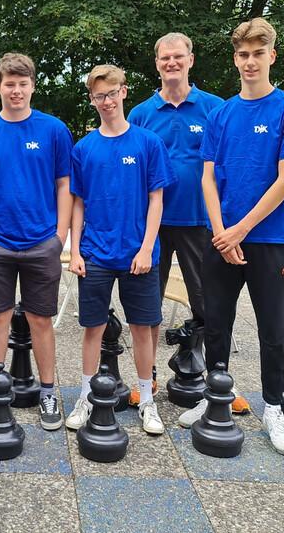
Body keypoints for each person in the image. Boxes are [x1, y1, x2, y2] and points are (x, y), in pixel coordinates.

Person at [179, 18, 284, 456]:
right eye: (243, 54)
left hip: (271, 239)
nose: (250, 61)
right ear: (235, 59)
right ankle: (214, 396)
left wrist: (241, 228)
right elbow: (207, 179)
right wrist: (221, 233)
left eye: (259, 53)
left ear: (271, 56)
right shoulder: (220, 114)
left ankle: (273, 407)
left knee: (272, 329)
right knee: (216, 323)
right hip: (222, 239)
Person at [126, 33, 249, 414]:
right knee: (146, 307)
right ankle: (146, 382)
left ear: (191, 61)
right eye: (165, 58)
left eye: (178, 57)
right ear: (157, 63)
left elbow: (228, 165)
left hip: (200, 222)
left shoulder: (215, 109)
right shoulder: (141, 114)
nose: (171, 63)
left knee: (210, 304)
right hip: (153, 225)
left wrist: (227, 221)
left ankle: (221, 382)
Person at [0, 52, 73, 430]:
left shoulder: (54, 130)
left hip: (42, 242)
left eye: (23, 84)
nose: (16, 90)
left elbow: (65, 185)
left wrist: (60, 237)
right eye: (10, 84)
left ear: (33, 86)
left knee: (41, 320)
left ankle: (49, 392)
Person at [65, 65, 176, 434]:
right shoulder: (84, 148)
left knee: (142, 329)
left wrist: (146, 249)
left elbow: (156, 201)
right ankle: (85, 396)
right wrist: (75, 250)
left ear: (124, 92)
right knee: (92, 328)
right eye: (99, 96)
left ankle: (147, 400)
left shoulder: (147, 143)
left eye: (112, 93)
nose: (107, 101)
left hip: (138, 256)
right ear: (92, 99)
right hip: (95, 253)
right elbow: (77, 202)